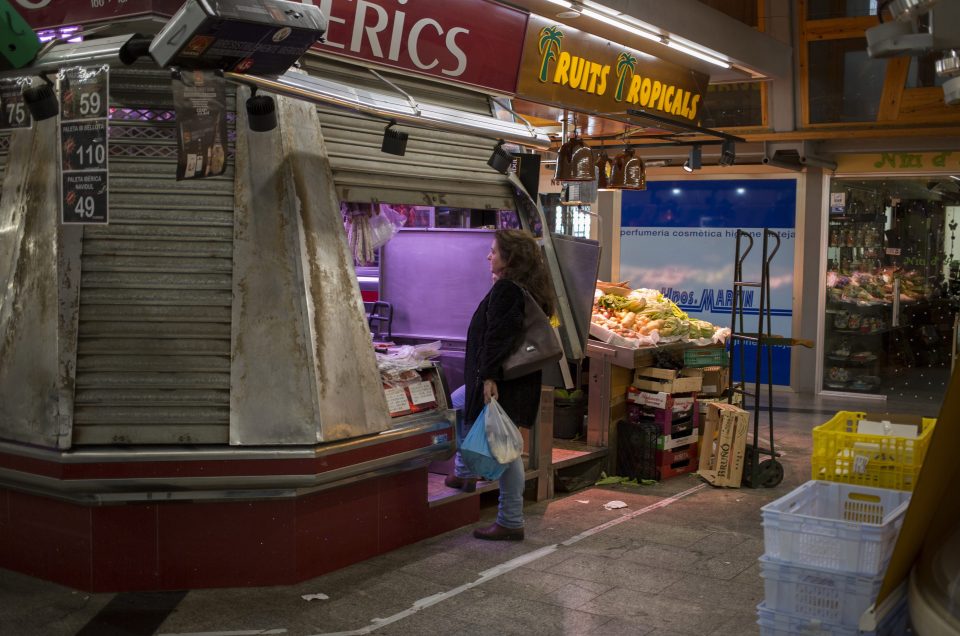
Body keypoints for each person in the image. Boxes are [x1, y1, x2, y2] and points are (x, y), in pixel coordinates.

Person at [445, 229, 555, 541]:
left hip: (501, 382)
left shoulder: (509, 288)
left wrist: (489, 376)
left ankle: (510, 520)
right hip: (513, 379)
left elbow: (498, 336)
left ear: (510, 258)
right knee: (458, 402)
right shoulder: (522, 287)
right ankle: (465, 473)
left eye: (494, 251)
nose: (488, 256)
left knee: (505, 450)